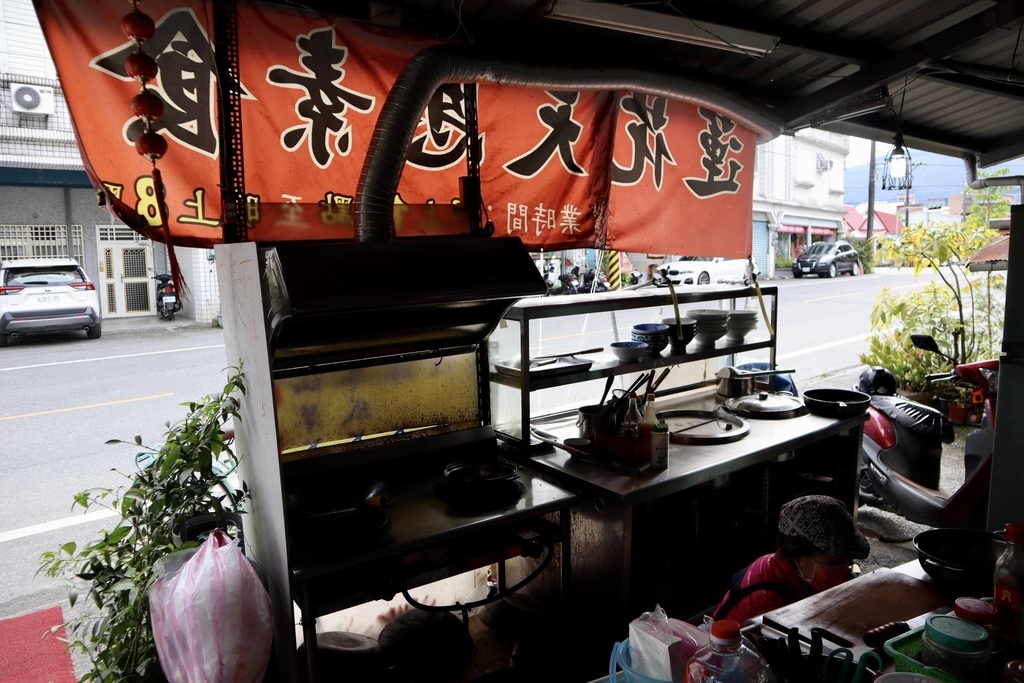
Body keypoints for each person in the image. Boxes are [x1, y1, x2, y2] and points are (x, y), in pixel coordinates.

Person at [712, 494, 870, 624]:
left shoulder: (779, 564)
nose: (845, 569)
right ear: (797, 553)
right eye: (834, 562)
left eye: (848, 560)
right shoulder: (772, 607)